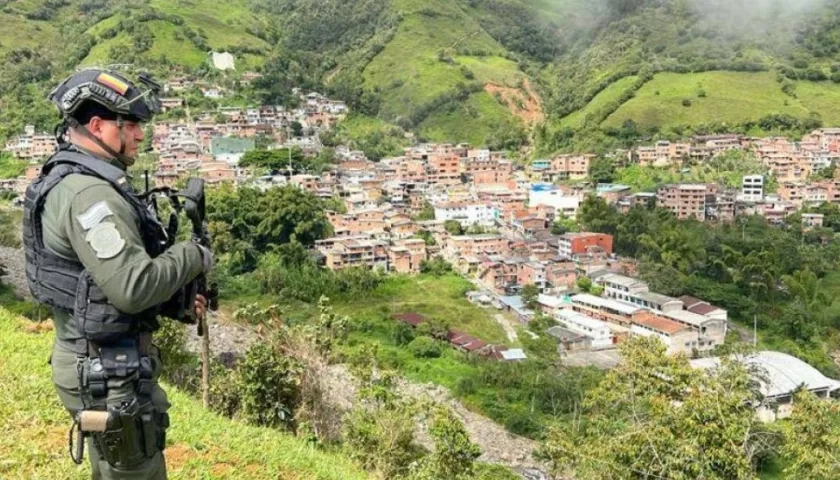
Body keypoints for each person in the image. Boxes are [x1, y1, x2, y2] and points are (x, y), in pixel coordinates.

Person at [22, 68, 212, 479]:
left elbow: (99, 283)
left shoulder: (76, 180)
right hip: (109, 375)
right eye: (132, 125)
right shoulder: (90, 195)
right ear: (98, 126)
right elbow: (131, 286)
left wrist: (173, 300)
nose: (141, 135)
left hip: (102, 364)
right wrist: (193, 255)